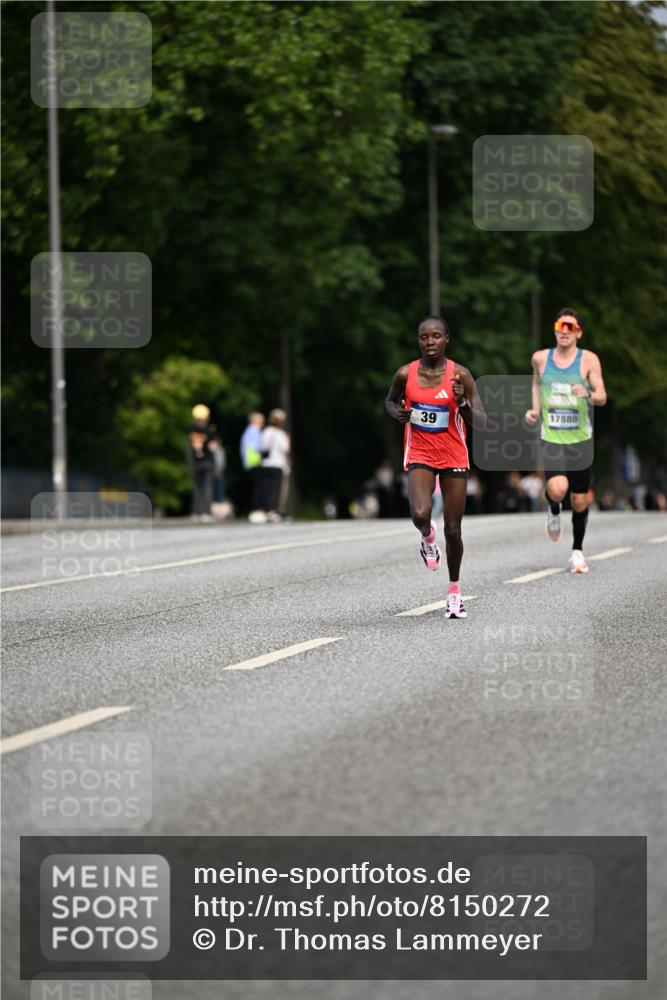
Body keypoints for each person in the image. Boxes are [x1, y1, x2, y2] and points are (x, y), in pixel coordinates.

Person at [386, 315, 485, 619]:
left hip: (454, 455)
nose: (430, 342)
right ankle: (427, 538)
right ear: (419, 341)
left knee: (453, 529)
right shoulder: (405, 374)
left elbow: (482, 421)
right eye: (424, 337)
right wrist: (398, 413)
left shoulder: (460, 375)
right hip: (420, 453)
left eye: (436, 336)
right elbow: (390, 401)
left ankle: (454, 592)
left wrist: (464, 404)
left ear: (446, 339)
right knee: (419, 514)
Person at [524, 308, 607, 573]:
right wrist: (535, 410)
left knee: (580, 500)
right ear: (555, 328)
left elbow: (603, 396)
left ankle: (577, 552)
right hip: (552, 436)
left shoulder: (588, 360)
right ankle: (553, 507)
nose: (565, 331)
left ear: (579, 333)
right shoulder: (540, 358)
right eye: (561, 325)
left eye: (571, 327)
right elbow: (536, 384)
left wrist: (588, 393)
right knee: (559, 490)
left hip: (580, 439)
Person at [260, 408, 290, 523]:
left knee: (267, 488)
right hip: (278, 464)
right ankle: (273, 511)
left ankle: (267, 511)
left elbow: (262, 447)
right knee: (276, 489)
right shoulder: (281, 434)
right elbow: (285, 449)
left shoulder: (266, 432)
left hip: (266, 463)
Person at [187, 404, 216, 522]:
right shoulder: (210, 430)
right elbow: (214, 447)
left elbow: (189, 448)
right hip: (207, 462)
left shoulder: (191, 430)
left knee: (197, 488)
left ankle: (196, 513)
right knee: (207, 488)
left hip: (196, 462)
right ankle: (206, 512)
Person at [240, 411, 266, 522]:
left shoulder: (247, 431)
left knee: (254, 487)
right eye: (261, 420)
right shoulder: (255, 431)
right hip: (255, 462)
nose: (263, 422)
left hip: (249, 463)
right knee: (258, 488)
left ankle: (254, 510)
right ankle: (257, 511)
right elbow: (258, 447)